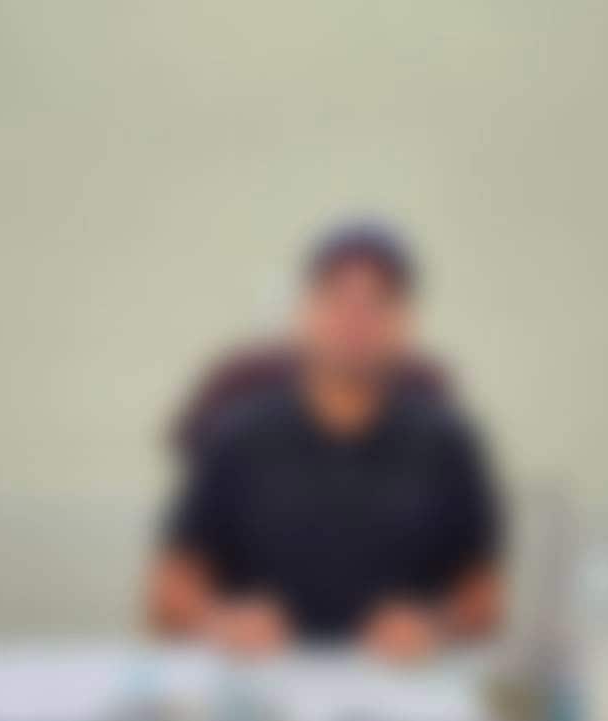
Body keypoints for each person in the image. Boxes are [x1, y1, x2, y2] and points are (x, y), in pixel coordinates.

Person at [148, 221, 506, 661]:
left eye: (378, 302)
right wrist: (220, 621)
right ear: (305, 311)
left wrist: (436, 625)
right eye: (338, 299)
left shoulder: (446, 444)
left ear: (405, 320)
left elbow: (484, 599)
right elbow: (168, 593)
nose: (355, 320)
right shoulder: (239, 435)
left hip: (401, 681)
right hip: (261, 677)